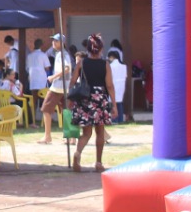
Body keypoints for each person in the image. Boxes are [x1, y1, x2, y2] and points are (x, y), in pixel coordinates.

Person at [70, 34, 116, 172]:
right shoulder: (105, 64)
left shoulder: (81, 63)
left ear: (88, 48)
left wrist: (70, 99)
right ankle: (98, 163)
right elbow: (110, 85)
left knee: (86, 133)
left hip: (84, 97)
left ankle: (77, 154)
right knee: (100, 133)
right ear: (101, 48)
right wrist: (113, 104)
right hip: (99, 98)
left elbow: (72, 82)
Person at [42, 34, 72, 145]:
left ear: (62, 42)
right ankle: (70, 137)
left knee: (46, 108)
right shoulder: (62, 54)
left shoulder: (62, 54)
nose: (53, 43)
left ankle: (47, 136)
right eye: (53, 40)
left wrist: (52, 77)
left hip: (58, 86)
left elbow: (67, 68)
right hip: (65, 86)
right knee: (68, 111)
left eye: (56, 41)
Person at [26, 38, 50, 125]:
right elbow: (47, 67)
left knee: (34, 101)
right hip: (41, 79)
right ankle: (44, 121)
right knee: (44, 100)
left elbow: (27, 67)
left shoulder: (29, 55)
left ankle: (33, 121)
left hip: (32, 78)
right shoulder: (43, 55)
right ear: (41, 45)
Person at [107, 47, 129, 125]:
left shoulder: (110, 66)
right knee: (119, 103)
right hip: (121, 86)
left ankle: (114, 119)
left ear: (112, 57)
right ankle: (120, 120)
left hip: (113, 85)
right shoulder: (124, 66)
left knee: (113, 103)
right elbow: (125, 76)